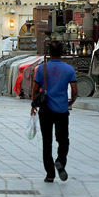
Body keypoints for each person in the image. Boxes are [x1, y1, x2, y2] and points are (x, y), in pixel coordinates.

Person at [31, 39, 77, 182]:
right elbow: (75, 90)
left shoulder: (41, 68)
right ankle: (61, 161)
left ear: (49, 53)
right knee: (63, 140)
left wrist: (33, 104)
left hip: (45, 109)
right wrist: (71, 101)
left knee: (47, 142)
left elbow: (35, 89)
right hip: (62, 109)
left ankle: (50, 174)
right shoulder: (69, 69)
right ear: (62, 53)